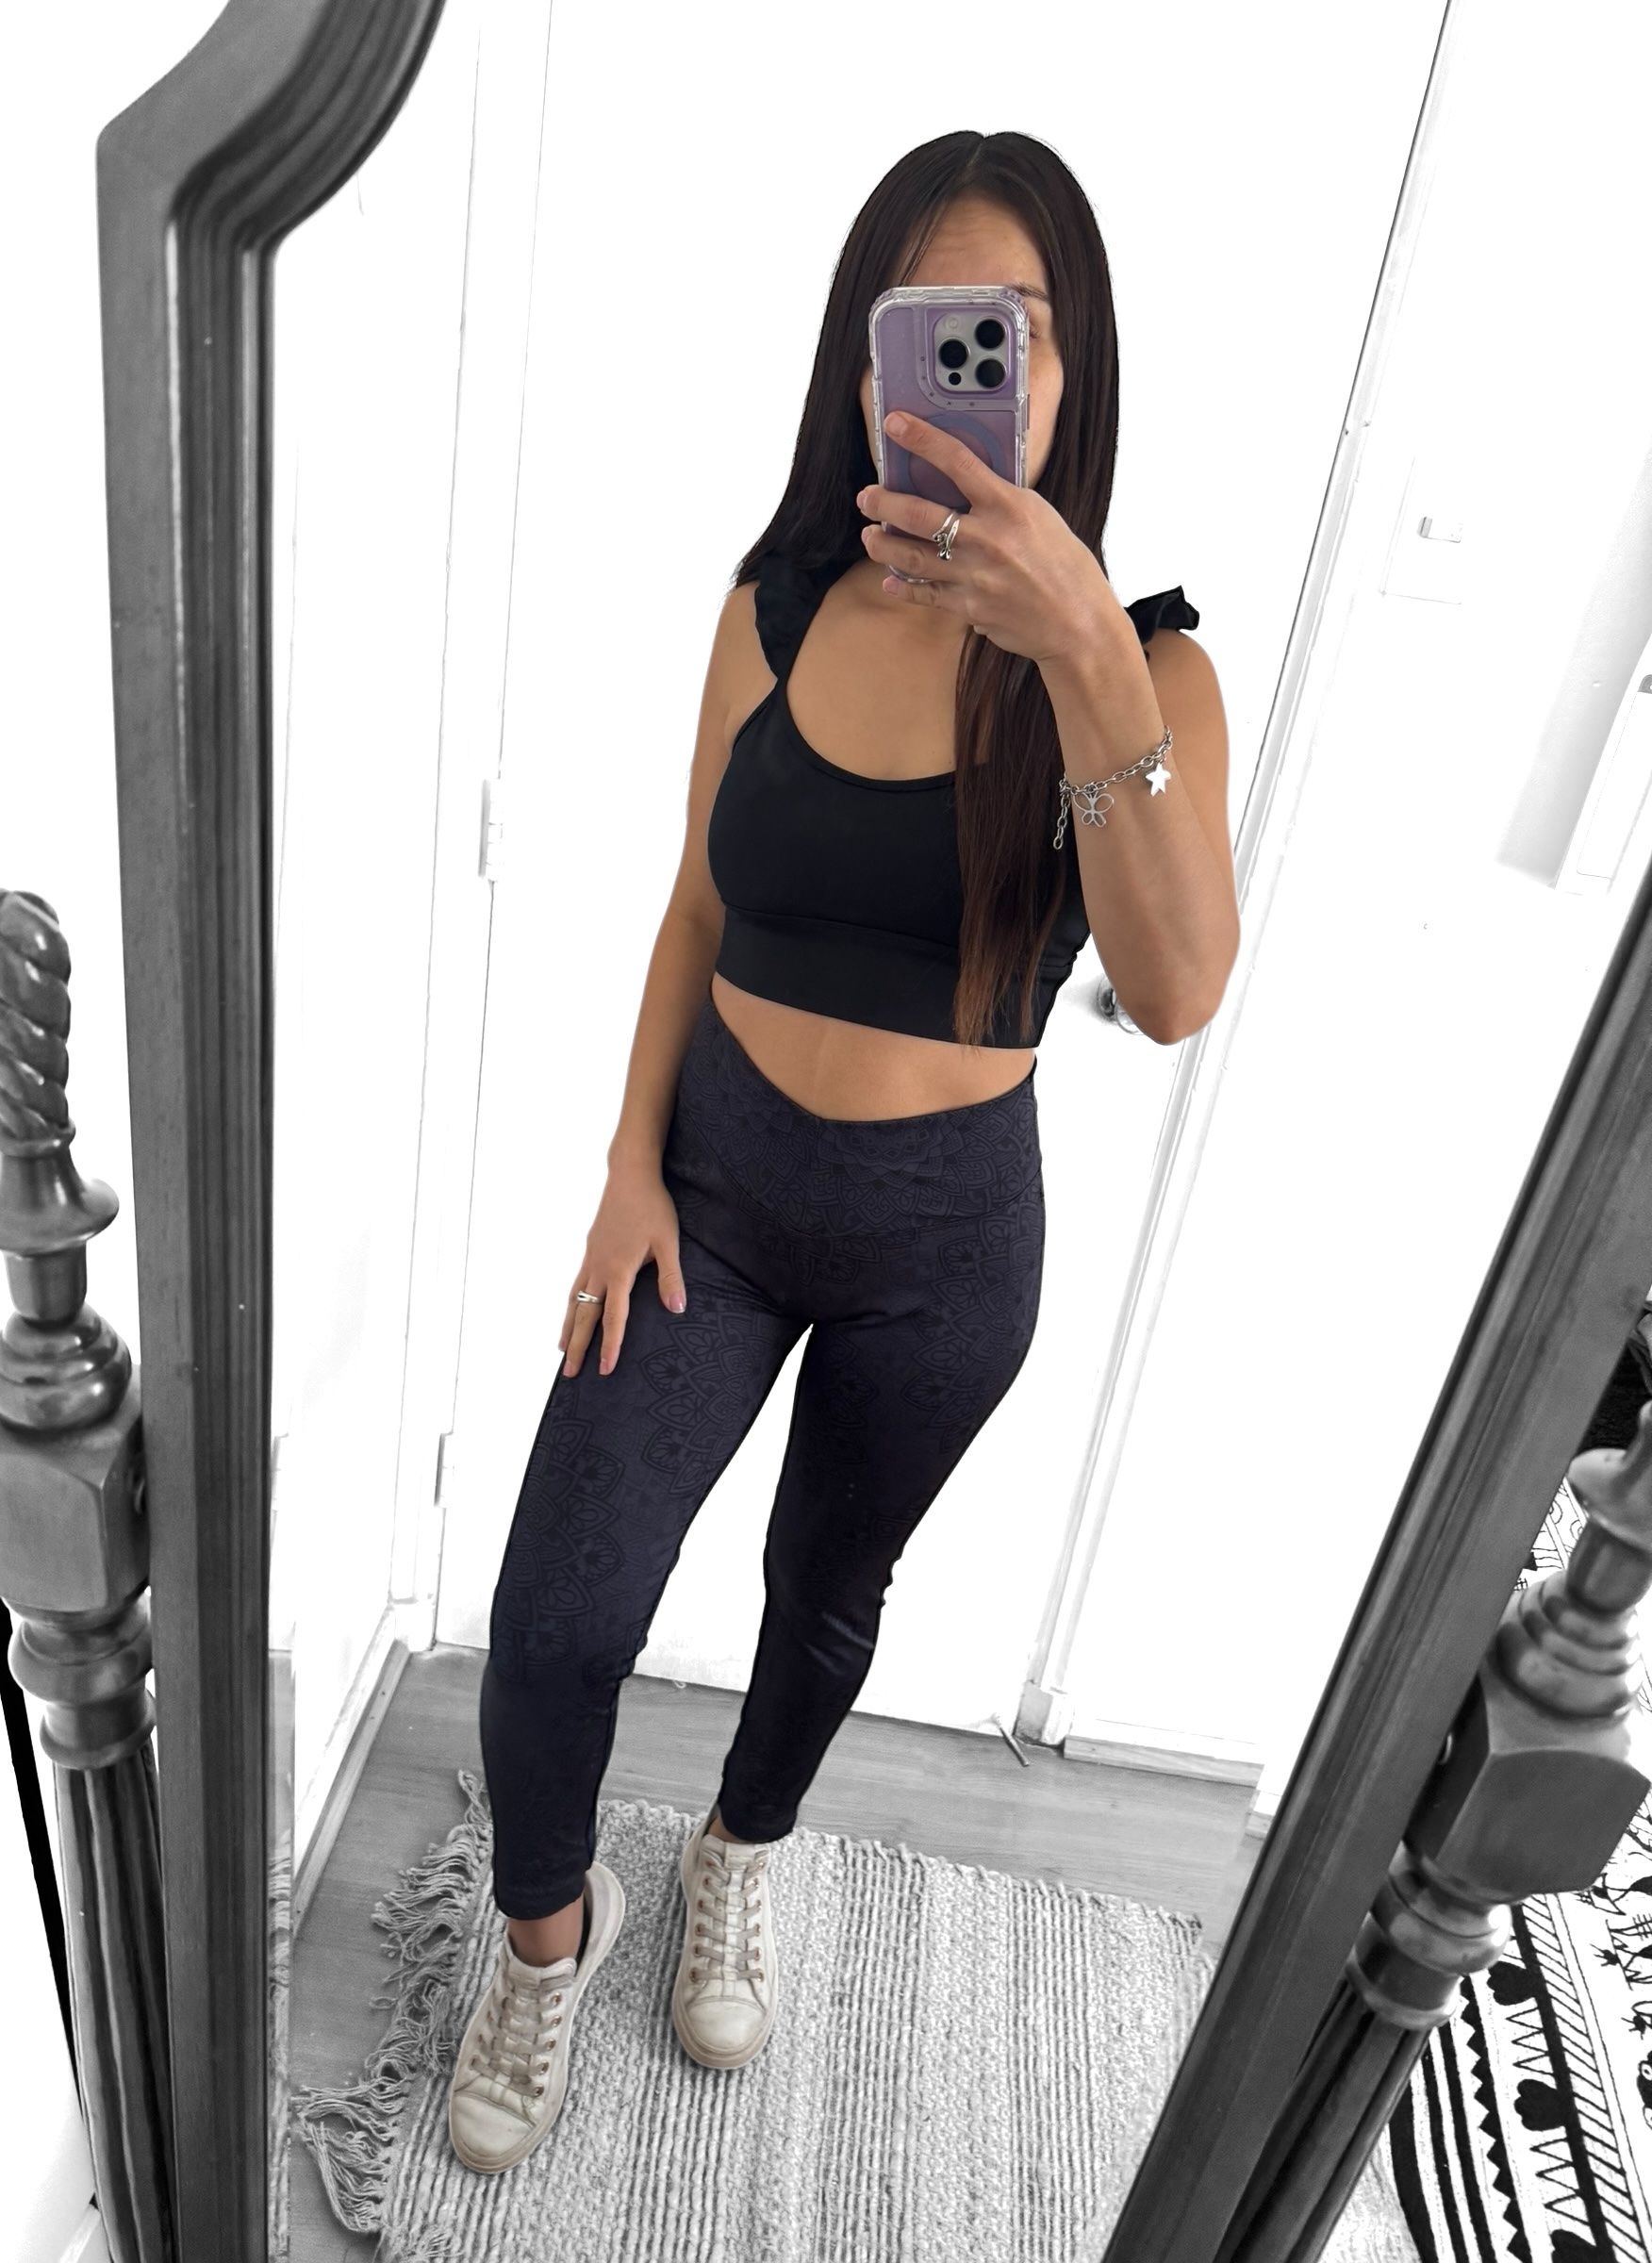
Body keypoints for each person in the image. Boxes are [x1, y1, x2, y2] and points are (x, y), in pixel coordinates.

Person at [447, 127, 1239, 2174]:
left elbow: (1175, 992)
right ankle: (543, 1945)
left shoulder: (1148, 668)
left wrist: (1078, 648)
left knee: (824, 1590)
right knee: (557, 1616)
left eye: (1020, 331)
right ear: (866, 358)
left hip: (943, 1242)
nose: (979, 369)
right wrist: (626, 1167)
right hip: (709, 1193)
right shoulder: (773, 604)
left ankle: (738, 1852)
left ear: (1073, 372)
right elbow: (693, 909)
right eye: (934, 325)